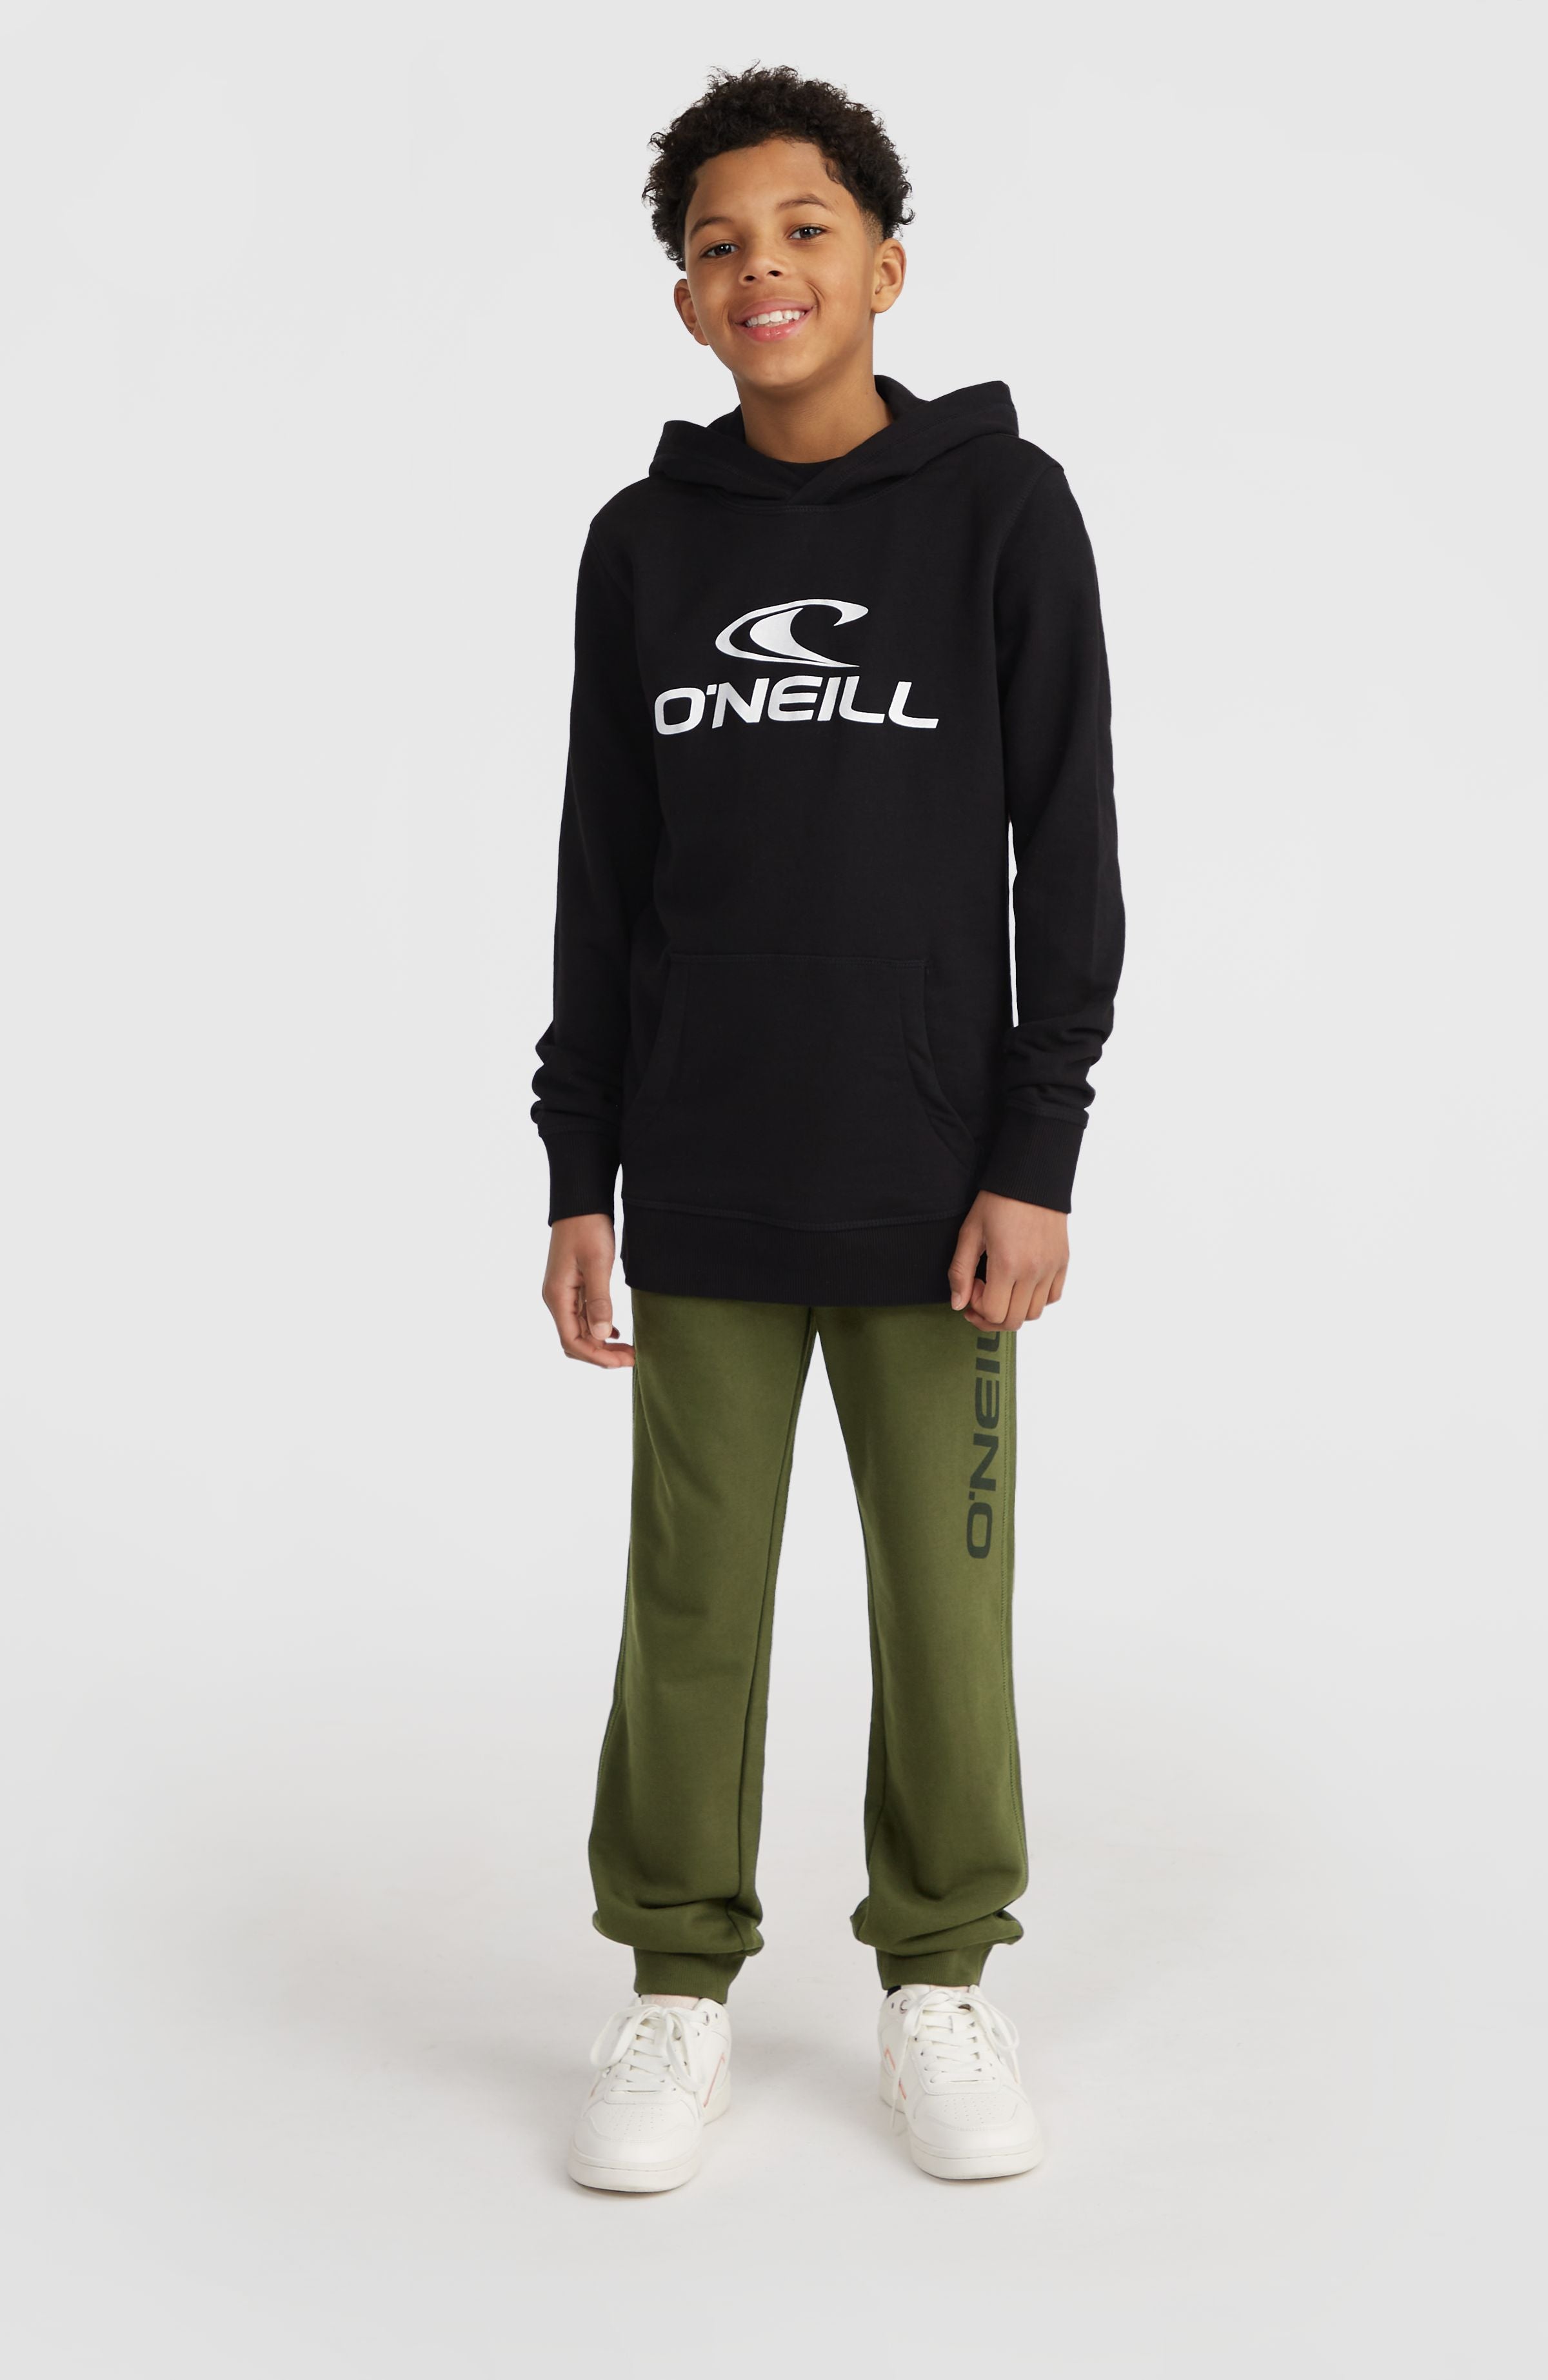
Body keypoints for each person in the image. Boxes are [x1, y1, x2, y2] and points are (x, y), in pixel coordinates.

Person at [531, 63, 1124, 2192]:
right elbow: (603, 873)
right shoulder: (645, 547)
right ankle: (677, 1985)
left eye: (801, 230)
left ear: (885, 265)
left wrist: (1036, 1151)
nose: (759, 268)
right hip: (702, 1176)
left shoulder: (1001, 511)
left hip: (936, 1186)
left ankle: (940, 1972)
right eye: (717, 244)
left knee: (945, 1611)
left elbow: (1070, 847)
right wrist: (578, 1167)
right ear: (687, 298)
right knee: (688, 1605)